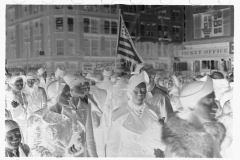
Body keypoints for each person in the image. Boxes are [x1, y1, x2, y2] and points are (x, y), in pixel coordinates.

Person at [162, 76, 226, 158]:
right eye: (208, 101)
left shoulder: (207, 136)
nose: (215, 106)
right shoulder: (180, 147)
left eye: (214, 100)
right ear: (192, 105)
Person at [106, 71, 165, 157]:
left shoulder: (153, 111)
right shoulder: (120, 113)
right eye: (136, 90)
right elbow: (113, 145)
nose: (140, 93)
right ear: (130, 92)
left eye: (143, 90)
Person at [63, 74, 98, 157]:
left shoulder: (86, 107)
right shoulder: (62, 107)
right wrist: (66, 150)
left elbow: (90, 138)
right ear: (70, 89)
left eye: (82, 84)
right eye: (79, 84)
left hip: (80, 152)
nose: (83, 86)